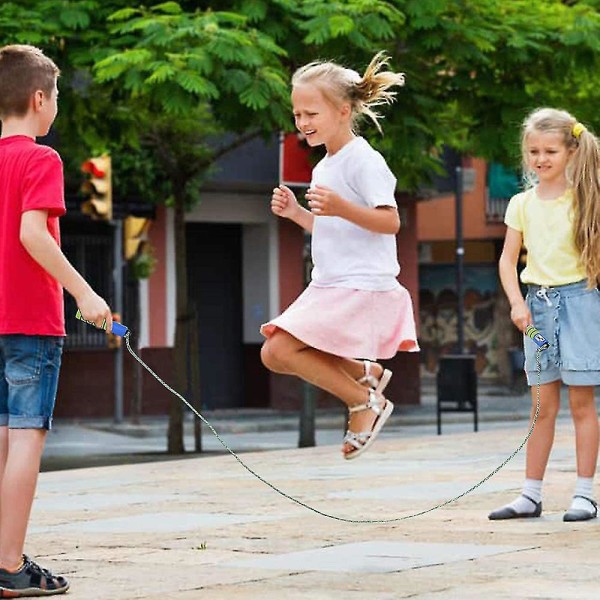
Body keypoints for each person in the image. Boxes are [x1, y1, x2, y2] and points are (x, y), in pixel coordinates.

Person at [260, 52, 419, 460]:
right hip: (331, 281)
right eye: (297, 114)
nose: (302, 122)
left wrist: (340, 207)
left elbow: (390, 222)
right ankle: (366, 375)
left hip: (359, 283)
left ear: (344, 110)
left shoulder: (364, 160)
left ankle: (365, 400)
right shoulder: (325, 166)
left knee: (278, 349)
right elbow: (336, 229)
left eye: (311, 112)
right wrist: (298, 214)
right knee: (275, 355)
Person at [0, 44, 113, 596]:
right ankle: (9, 565)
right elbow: (32, 235)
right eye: (58, 97)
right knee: (26, 435)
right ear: (39, 98)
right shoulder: (41, 159)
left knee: (2, 432)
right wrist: (87, 295)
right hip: (29, 321)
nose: (58, 107)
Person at [489, 108, 600, 522]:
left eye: (550, 150)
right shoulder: (521, 203)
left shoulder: (587, 200)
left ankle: (585, 494)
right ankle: (530, 494)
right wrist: (518, 304)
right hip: (538, 313)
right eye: (533, 151)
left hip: (582, 306)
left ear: (571, 151)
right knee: (542, 404)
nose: (540, 158)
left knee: (583, 404)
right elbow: (506, 261)